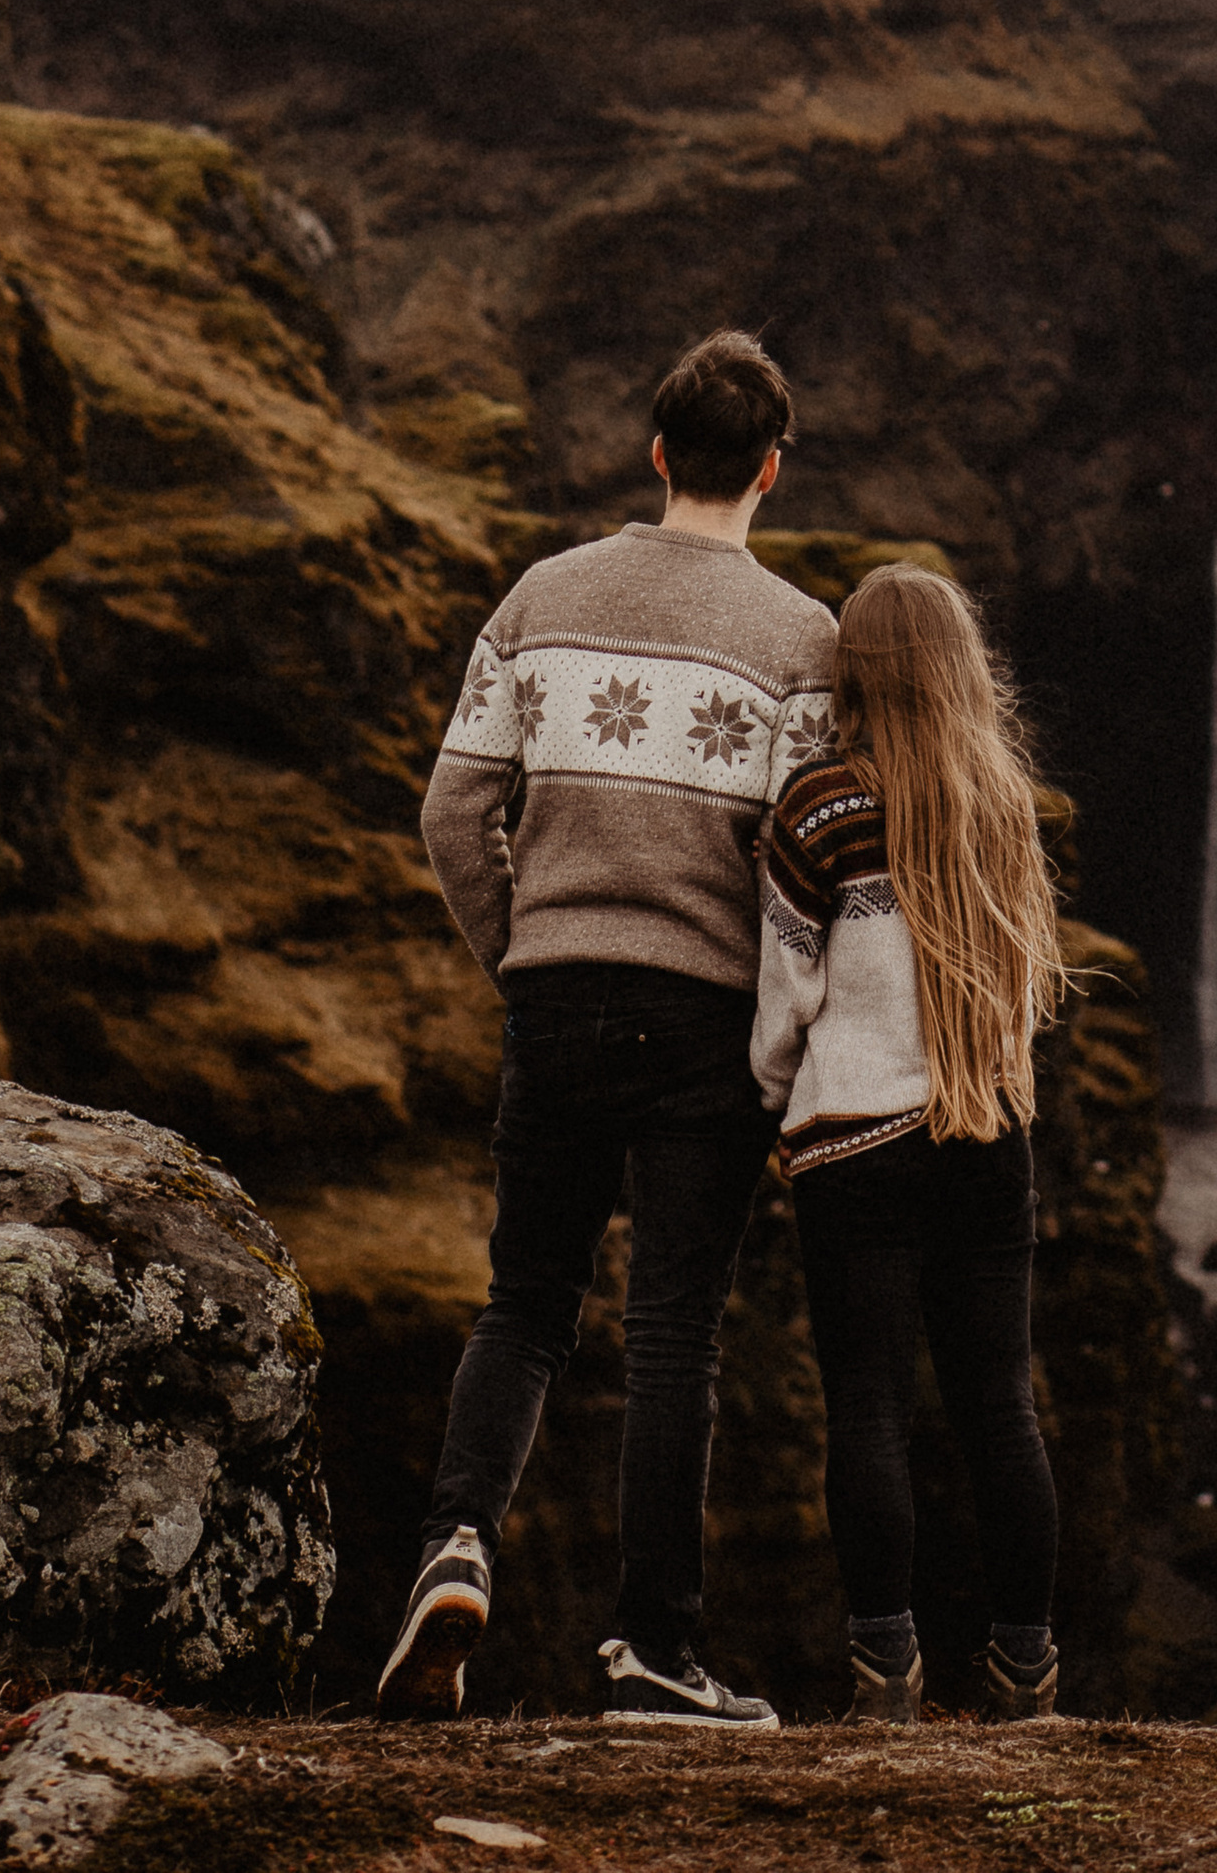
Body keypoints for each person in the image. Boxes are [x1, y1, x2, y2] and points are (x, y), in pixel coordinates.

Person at [377, 329, 838, 1729]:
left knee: (526, 1298)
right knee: (673, 1333)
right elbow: (807, 863)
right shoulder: (803, 640)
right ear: (770, 466)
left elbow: (453, 811)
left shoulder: (541, 596)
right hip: (706, 1015)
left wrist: (520, 952)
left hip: (560, 991)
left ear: (655, 454)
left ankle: (454, 1546)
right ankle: (653, 1654)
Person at [753, 560, 1068, 1724]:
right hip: (988, 1138)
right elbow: (1029, 990)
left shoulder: (818, 805)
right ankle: (1026, 1671)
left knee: (869, 1408)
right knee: (1000, 1408)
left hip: (854, 1148)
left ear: (857, 675)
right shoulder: (1002, 805)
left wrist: (781, 1096)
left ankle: (885, 1673)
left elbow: (782, 998)